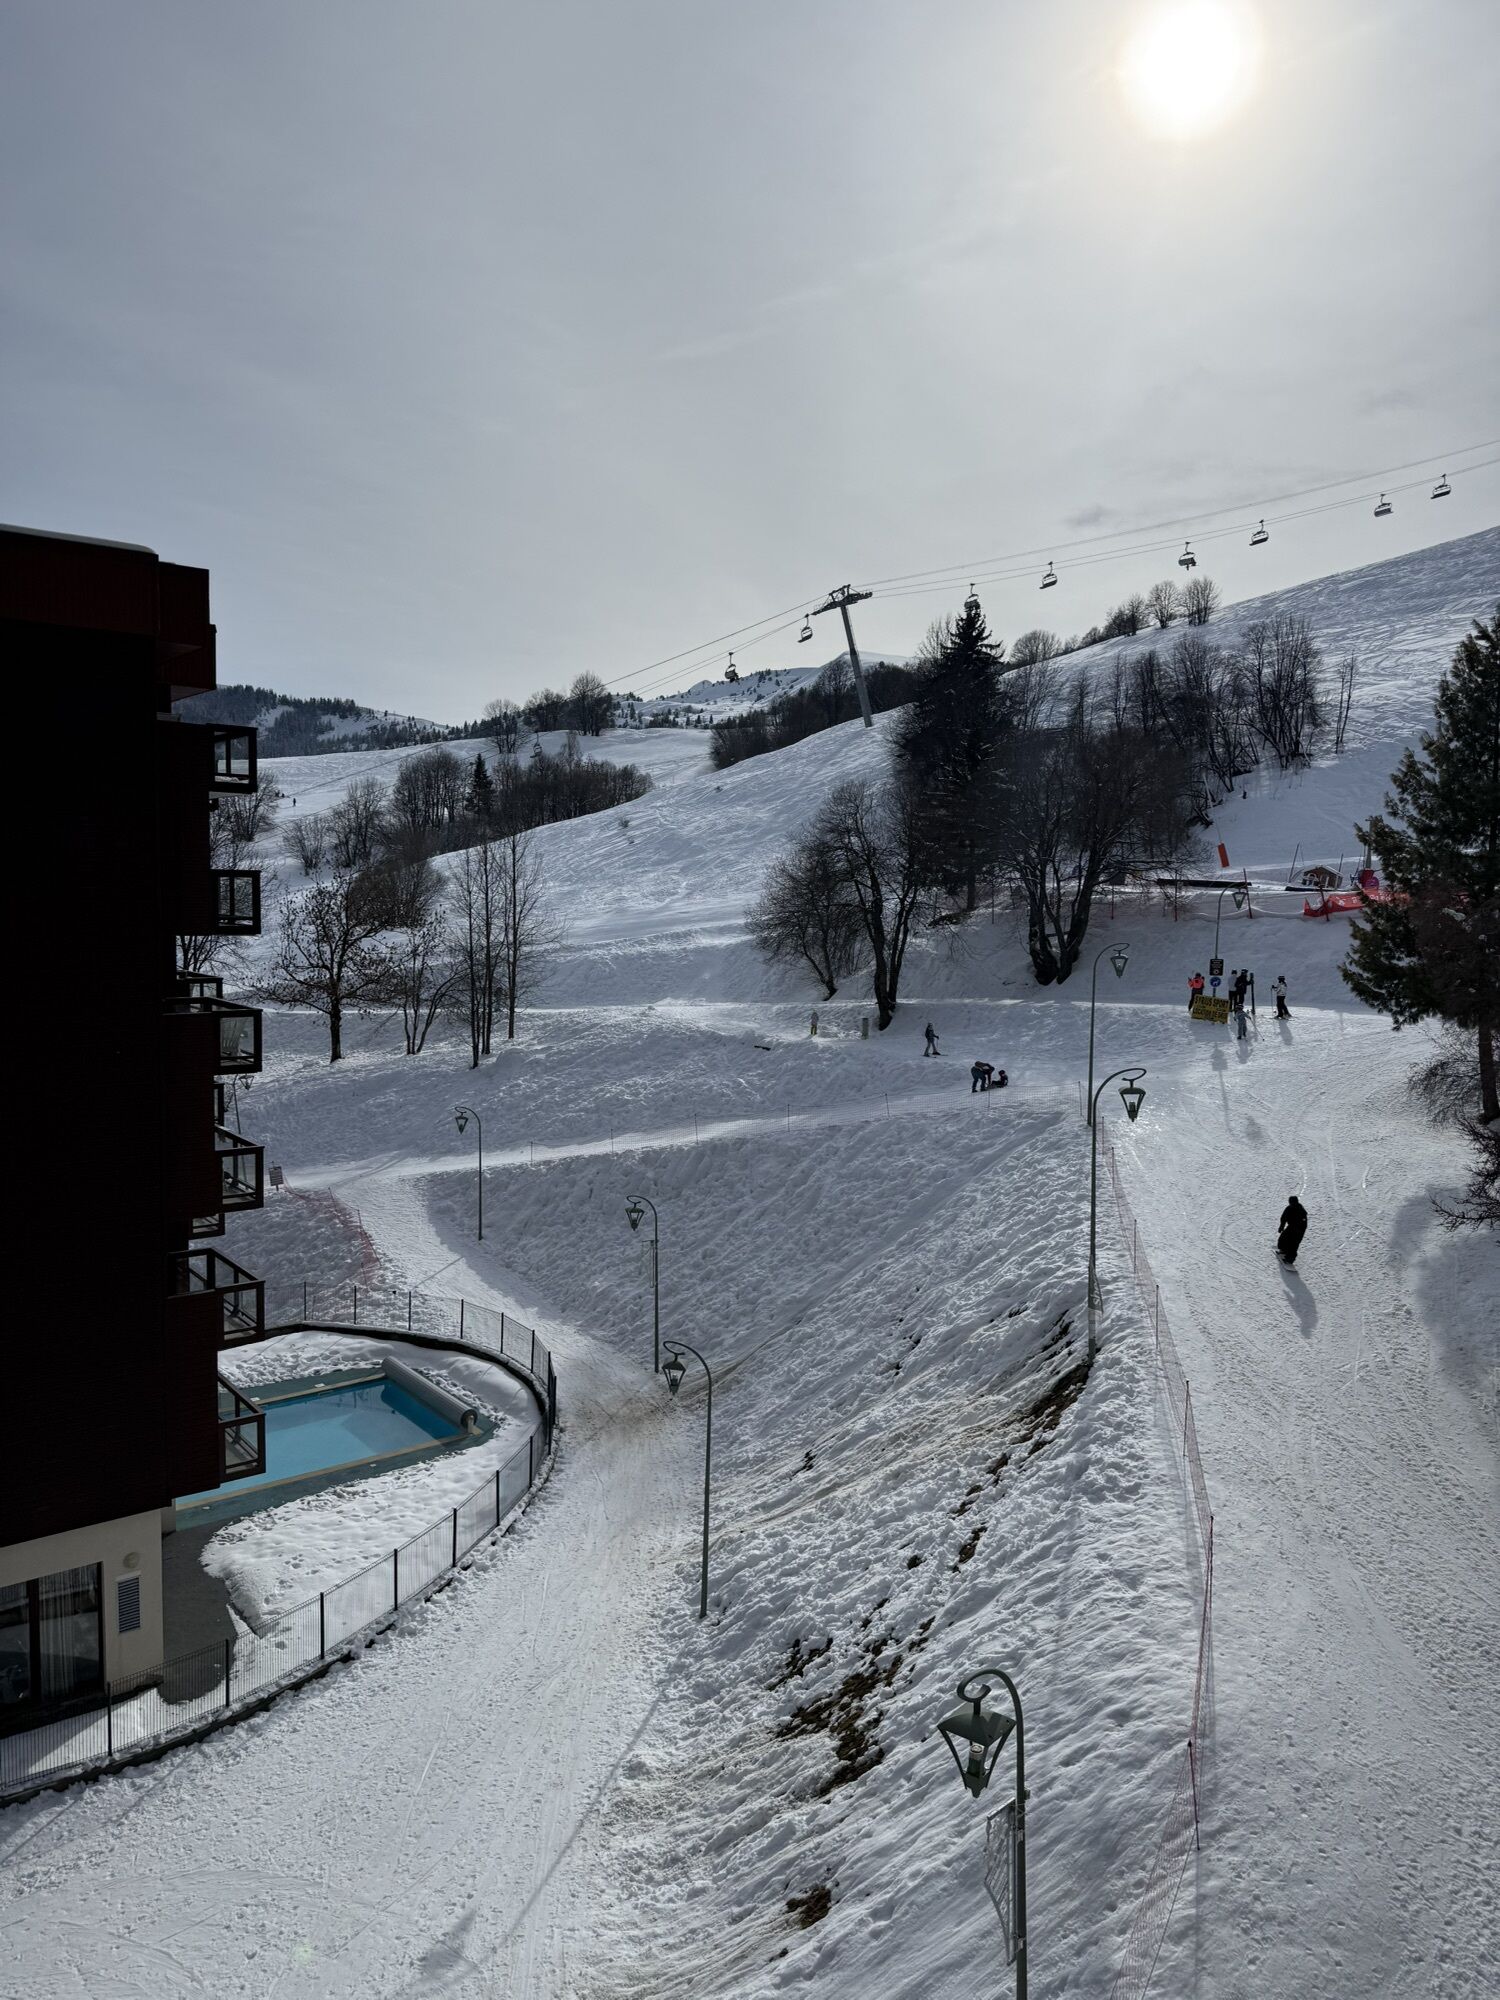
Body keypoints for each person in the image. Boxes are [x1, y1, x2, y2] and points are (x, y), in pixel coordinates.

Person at [1277, 1194, 1308, 1265]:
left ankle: (1290, 1259)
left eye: (1293, 1203)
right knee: (1283, 1237)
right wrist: (1281, 1227)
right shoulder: (1289, 1208)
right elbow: (1283, 1218)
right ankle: (1284, 1250)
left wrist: (1299, 1231)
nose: (1292, 1204)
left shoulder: (1301, 1210)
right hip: (1291, 1226)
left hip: (1300, 1229)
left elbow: (1304, 1222)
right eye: (1291, 1203)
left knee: (1294, 1243)